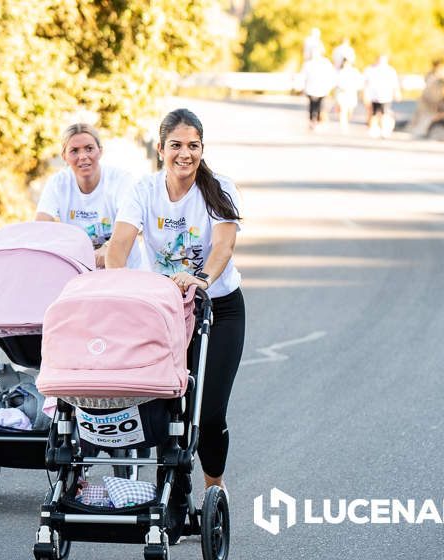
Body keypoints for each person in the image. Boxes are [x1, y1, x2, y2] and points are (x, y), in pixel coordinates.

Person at [106, 108, 245, 496]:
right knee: (169, 404)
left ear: (202, 148)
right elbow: (119, 246)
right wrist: (117, 288)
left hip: (218, 310)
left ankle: (214, 489)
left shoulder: (219, 188)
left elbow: (224, 245)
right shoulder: (144, 191)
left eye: (193, 146)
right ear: (161, 148)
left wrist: (201, 279)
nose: (185, 154)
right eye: (176, 146)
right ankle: (175, 492)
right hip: (166, 313)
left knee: (210, 411)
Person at [36, 123, 144, 269]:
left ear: (100, 151)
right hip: (79, 273)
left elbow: (132, 223)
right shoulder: (57, 183)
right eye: (74, 151)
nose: (83, 156)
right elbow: (41, 227)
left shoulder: (121, 180)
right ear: (64, 156)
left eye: (89, 149)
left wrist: (109, 248)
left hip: (121, 272)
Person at [363, 55, 402, 138]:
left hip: (386, 96)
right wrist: (365, 95)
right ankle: (374, 129)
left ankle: (384, 129)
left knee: (384, 113)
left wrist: (397, 93)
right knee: (373, 113)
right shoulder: (370, 70)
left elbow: (395, 83)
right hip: (373, 95)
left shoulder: (390, 70)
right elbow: (366, 83)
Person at [299, 46, 335, 131]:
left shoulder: (326, 63)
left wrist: (330, 86)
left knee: (319, 105)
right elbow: (303, 75)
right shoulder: (308, 64)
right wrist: (301, 86)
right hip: (310, 88)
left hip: (322, 88)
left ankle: (318, 121)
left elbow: (331, 75)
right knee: (312, 105)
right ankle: (312, 121)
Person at [334, 58, 363, 131]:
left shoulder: (355, 71)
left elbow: (359, 82)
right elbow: (336, 82)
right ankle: (343, 125)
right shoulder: (339, 72)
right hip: (342, 93)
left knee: (350, 109)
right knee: (342, 109)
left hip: (351, 93)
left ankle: (347, 120)